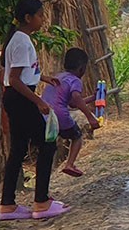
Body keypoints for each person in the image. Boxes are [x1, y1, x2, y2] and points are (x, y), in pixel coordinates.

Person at [0, 0, 70, 221]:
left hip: (15, 97)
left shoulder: (20, 39)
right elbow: (15, 79)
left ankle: (8, 204)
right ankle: (41, 201)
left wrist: (44, 78)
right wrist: (38, 101)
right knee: (47, 144)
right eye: (40, 15)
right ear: (28, 18)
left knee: (19, 149)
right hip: (21, 97)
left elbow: (23, 74)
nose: (43, 19)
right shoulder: (21, 42)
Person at [41, 47, 101, 178]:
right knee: (76, 136)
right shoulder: (75, 80)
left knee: (48, 144)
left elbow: (73, 103)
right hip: (59, 115)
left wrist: (92, 98)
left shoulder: (58, 77)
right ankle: (70, 164)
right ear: (82, 69)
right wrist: (90, 117)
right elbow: (76, 98)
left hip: (44, 115)